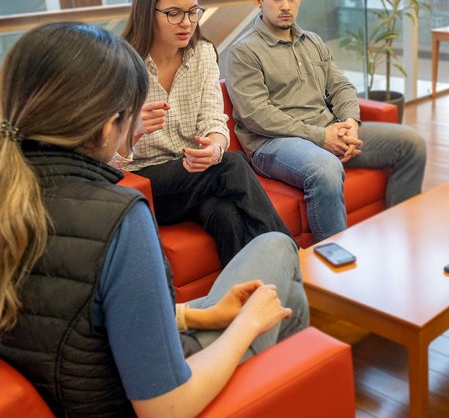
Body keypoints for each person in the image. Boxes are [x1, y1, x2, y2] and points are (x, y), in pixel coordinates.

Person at [0, 22, 309, 415]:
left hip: (87, 382)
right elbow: (166, 408)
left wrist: (198, 314)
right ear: (109, 126)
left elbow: (73, 317)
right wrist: (246, 324)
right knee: (277, 251)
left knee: (282, 296)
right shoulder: (117, 218)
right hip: (152, 395)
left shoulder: (15, 193)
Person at [222, 0, 427, 243]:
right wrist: (321, 137)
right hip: (272, 143)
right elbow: (256, 114)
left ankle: (399, 235)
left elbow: (341, 86)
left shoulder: (313, 42)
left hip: (327, 129)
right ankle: (334, 263)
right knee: (326, 168)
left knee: (411, 144)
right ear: (259, 0)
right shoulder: (244, 51)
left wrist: (350, 123)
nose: (285, 6)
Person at [119, 0, 292, 266]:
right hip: (144, 184)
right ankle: (293, 259)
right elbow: (102, 160)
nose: (186, 23)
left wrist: (214, 147)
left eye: (192, 12)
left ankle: (247, 291)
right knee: (232, 164)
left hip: (194, 176)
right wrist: (131, 131)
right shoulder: (120, 66)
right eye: (173, 13)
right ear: (147, 12)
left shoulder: (201, 54)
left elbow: (214, 119)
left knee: (225, 214)